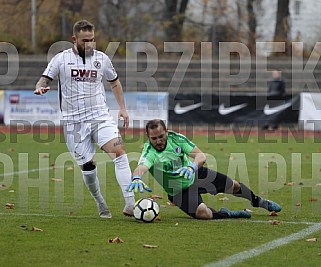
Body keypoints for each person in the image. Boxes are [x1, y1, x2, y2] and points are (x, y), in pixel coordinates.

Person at [34, 19, 135, 218]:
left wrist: (122, 108)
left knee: (119, 153)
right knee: (88, 166)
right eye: (85, 40)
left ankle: (130, 203)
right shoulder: (61, 59)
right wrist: (40, 86)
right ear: (74, 39)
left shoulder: (102, 59)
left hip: (100, 116)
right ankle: (100, 203)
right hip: (74, 123)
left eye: (92, 40)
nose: (89, 44)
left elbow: (114, 82)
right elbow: (45, 77)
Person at [127, 119, 282, 220]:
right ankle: (227, 213)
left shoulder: (177, 139)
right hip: (179, 191)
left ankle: (258, 201)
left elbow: (200, 156)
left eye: (161, 136)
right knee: (204, 214)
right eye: (154, 139)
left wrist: (192, 166)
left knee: (233, 186)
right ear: (148, 138)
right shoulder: (150, 152)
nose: (159, 141)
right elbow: (141, 167)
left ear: (166, 131)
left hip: (196, 174)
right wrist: (136, 178)